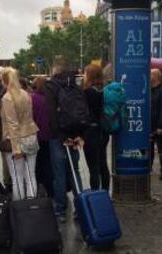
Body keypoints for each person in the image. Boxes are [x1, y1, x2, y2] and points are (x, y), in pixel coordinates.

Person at [44, 59, 84, 223]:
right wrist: (78, 135)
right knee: (75, 171)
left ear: (54, 71)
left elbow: (52, 115)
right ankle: (80, 208)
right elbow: (82, 113)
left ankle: (60, 210)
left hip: (58, 138)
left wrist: (61, 137)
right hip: (74, 136)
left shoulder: (50, 87)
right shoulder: (75, 85)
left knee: (59, 174)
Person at [0, 67, 39, 201]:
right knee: (31, 176)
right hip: (31, 135)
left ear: (4, 81)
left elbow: (12, 124)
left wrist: (16, 148)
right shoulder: (26, 94)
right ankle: (32, 206)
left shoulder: (7, 98)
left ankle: (20, 209)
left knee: (17, 178)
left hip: (15, 140)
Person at [83, 64, 109, 190]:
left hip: (91, 132)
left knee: (93, 167)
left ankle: (95, 195)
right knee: (103, 164)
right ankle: (105, 193)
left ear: (89, 75)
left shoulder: (87, 92)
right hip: (103, 131)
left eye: (85, 73)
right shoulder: (105, 91)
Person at [31, 76, 54, 197]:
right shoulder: (50, 98)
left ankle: (38, 187)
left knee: (36, 163)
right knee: (47, 163)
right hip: (48, 135)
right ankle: (49, 189)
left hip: (35, 135)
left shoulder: (32, 98)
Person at [150, 69, 162, 180]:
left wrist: (161, 126)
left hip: (158, 125)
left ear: (156, 77)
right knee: (150, 147)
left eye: (150, 74)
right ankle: (149, 167)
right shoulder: (149, 89)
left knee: (161, 148)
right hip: (150, 124)